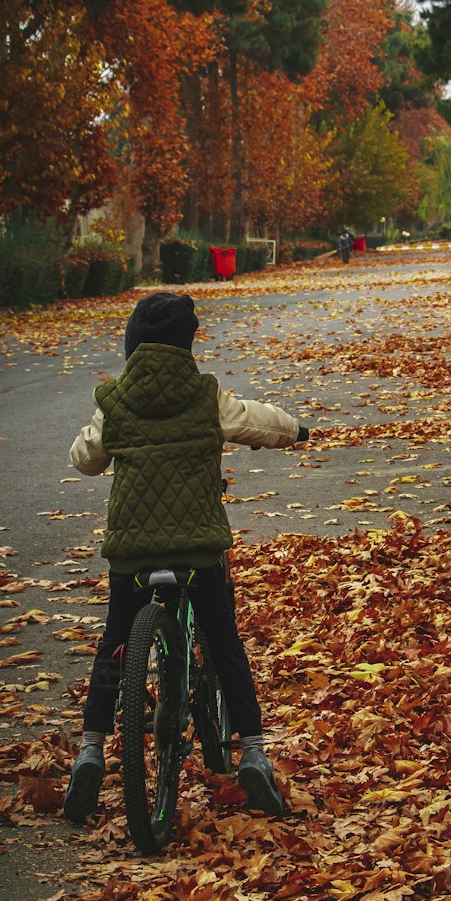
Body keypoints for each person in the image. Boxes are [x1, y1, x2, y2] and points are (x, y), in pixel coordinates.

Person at [63, 291, 309, 826]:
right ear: (187, 344)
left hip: (132, 552)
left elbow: (85, 459)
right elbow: (258, 421)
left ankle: (88, 748)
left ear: (133, 343)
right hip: (198, 549)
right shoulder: (206, 396)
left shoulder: (114, 400)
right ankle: (252, 751)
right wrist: (296, 431)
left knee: (114, 643)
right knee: (223, 642)